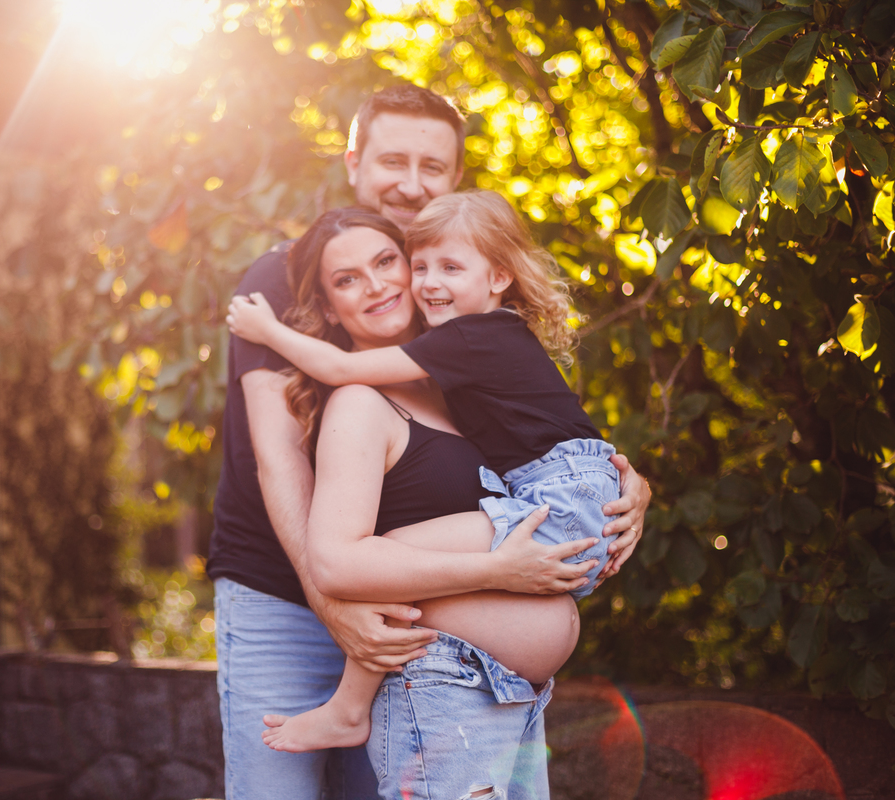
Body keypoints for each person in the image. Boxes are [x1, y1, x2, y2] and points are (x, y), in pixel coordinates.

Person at [206, 84, 650, 800]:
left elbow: (541, 434)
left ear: (455, 175)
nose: (410, 184)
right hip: (288, 595)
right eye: (391, 160)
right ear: (353, 161)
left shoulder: (442, 297)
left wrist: (628, 486)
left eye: (431, 167)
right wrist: (339, 603)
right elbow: (279, 456)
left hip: (417, 606)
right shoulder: (287, 277)